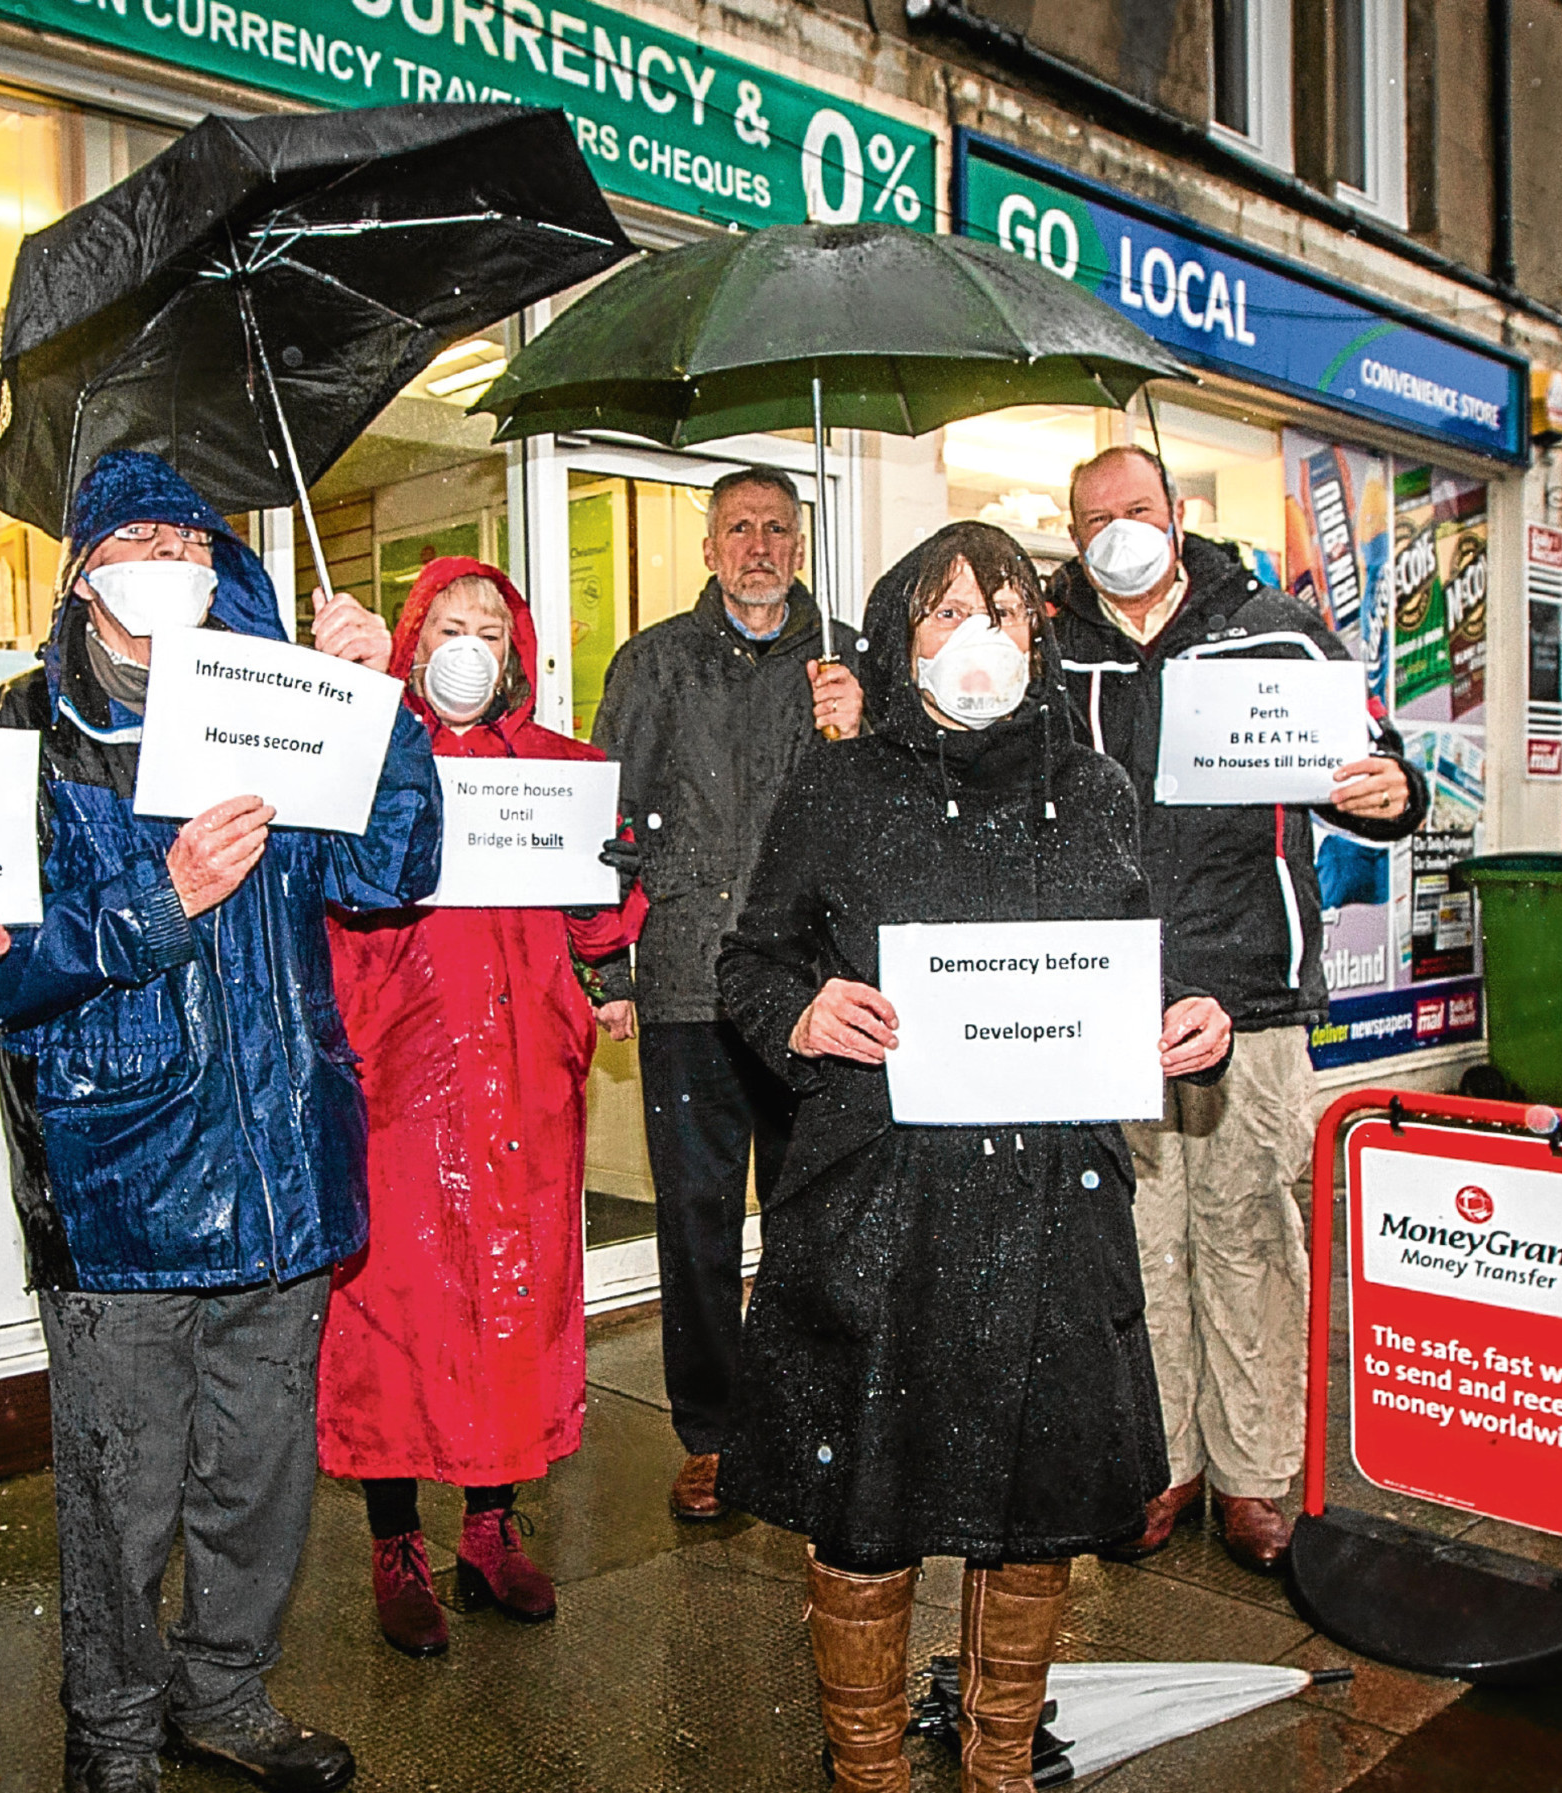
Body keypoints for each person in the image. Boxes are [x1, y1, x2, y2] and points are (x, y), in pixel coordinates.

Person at [0, 450, 435, 1793]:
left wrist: (376, 705)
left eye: (192, 536)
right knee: (119, 1488)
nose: (171, 556)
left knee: (259, 1475)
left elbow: (394, 874)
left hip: (282, 1165)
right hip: (119, 1186)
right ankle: (108, 1733)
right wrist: (154, 901)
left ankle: (224, 1691)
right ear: (86, 565)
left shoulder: (287, 701)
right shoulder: (16, 730)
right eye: (138, 533)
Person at [717, 521, 1235, 1793]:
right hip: (880, 1201)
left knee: (1038, 1493)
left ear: (1037, 635)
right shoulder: (837, 785)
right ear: (900, 639)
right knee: (869, 1497)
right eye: (945, 613)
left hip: (1055, 1203)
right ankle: (871, 1768)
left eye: (1004, 609)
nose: (978, 638)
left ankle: (1004, 1759)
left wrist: (1195, 1022)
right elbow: (749, 961)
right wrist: (797, 1011)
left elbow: (1142, 970)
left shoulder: (1100, 787)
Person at [1043, 445, 1427, 1571]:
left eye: (1138, 509)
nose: (1119, 530)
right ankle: (1163, 1464)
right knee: (1140, 1246)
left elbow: (1375, 763)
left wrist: (1391, 789)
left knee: (1251, 1235)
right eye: (1095, 517)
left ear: (1179, 513)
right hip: (1109, 995)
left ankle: (1257, 1476)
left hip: (1251, 990)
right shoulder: (1050, 645)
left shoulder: (1274, 624)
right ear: (1074, 534)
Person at [316, 558, 647, 1656]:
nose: (469, 646)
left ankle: (494, 1525)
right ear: (412, 640)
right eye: (448, 625)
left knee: (512, 1302)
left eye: (491, 631)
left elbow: (600, 938)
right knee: (395, 1315)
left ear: (518, 655)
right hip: (398, 1077)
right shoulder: (367, 757)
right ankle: (395, 1540)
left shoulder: (560, 769)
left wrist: (616, 878)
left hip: (526, 1084)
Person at [589, 467, 864, 1522]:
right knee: (696, 1224)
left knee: (812, 1219)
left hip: (812, 995)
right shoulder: (654, 665)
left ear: (799, 545)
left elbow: (893, 816)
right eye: (738, 528)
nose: (758, 545)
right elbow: (609, 821)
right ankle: (709, 1432)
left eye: (777, 529)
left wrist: (867, 721)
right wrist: (608, 968)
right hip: (689, 992)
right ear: (707, 546)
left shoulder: (846, 667)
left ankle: (799, 1416)